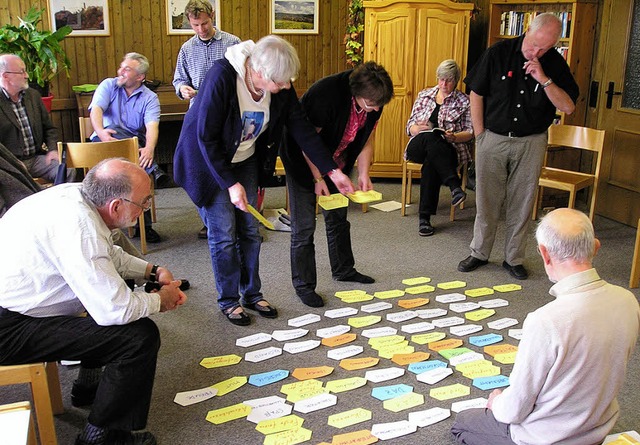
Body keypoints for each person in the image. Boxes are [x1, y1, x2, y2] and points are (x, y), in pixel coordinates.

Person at [0, 158, 187, 445]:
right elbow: (116, 309)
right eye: (143, 203)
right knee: (139, 338)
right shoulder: (80, 228)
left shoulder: (80, 196)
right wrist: (161, 299)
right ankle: (101, 437)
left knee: (114, 285)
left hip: (16, 307)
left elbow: (106, 254)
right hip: (9, 328)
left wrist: (151, 271)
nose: (144, 209)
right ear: (115, 206)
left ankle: (89, 386)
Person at [173, 35, 355, 325]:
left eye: (287, 81)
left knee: (250, 229)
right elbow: (205, 138)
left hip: (245, 159)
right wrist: (230, 184)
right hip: (209, 162)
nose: (285, 87)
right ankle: (229, 300)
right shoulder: (222, 77)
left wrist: (332, 171)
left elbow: (302, 129)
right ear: (257, 73)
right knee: (223, 233)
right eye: (280, 83)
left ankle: (252, 294)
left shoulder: (279, 82)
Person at [451, 208, 640, 445]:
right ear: (595, 247)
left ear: (544, 253)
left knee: (464, 422)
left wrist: (496, 401)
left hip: (544, 438)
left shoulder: (546, 320)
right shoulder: (628, 300)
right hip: (596, 431)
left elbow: (514, 410)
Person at [458, 13, 579, 280]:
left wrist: (544, 79)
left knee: (522, 203)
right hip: (493, 138)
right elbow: (475, 92)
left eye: (545, 48)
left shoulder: (554, 64)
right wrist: (480, 135)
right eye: (535, 44)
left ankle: (514, 258)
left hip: (531, 141)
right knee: (487, 201)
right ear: (528, 30)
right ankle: (479, 252)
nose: (537, 52)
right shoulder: (498, 52)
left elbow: (568, 106)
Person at [280, 61, 393, 308]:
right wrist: (319, 177)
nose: (375, 110)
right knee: (304, 224)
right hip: (303, 158)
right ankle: (304, 285)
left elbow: (366, 137)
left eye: (378, 106)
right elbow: (306, 141)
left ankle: (344, 269)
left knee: (338, 216)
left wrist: (364, 173)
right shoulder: (326, 94)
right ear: (357, 94)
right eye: (370, 105)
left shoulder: (375, 100)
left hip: (339, 161)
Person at [172, 0, 241, 239]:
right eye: (195, 25)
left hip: (228, 118)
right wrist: (183, 89)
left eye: (204, 23)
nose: (201, 29)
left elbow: (243, 79)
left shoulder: (233, 43)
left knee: (227, 167)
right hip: (198, 116)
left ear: (212, 16)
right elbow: (178, 80)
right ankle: (212, 219)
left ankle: (230, 219)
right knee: (202, 170)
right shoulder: (187, 49)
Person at [90, 52, 168, 243]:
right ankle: (154, 170)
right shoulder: (109, 85)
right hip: (102, 143)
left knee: (137, 166)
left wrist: (149, 148)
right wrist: (100, 131)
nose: (120, 72)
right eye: (121, 67)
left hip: (132, 147)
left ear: (140, 77)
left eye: (127, 69)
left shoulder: (150, 98)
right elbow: (97, 109)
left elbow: (152, 126)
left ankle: (144, 226)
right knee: (114, 129)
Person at [405, 59, 473, 237]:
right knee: (430, 136)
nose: (443, 84)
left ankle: (424, 219)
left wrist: (454, 136)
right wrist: (415, 128)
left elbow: (470, 133)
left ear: (456, 80)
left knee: (432, 162)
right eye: (441, 79)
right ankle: (454, 185)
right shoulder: (424, 95)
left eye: (448, 80)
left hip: (447, 148)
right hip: (418, 145)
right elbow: (409, 125)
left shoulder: (464, 101)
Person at [0, 54, 75, 182]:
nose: (27, 76)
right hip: (9, 165)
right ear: (5, 76)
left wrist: (52, 150)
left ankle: (57, 201)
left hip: (36, 159)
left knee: (67, 172)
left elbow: (50, 128)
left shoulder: (33, 96)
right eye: (21, 72)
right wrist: (12, 164)